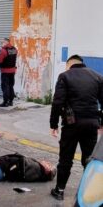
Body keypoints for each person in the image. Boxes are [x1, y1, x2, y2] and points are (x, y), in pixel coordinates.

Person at [49, 54, 103, 200]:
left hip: (71, 125)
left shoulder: (65, 76)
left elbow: (57, 102)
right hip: (92, 124)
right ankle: (88, 193)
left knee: (66, 159)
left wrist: (53, 124)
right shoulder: (97, 76)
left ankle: (59, 191)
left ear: (69, 65)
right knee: (88, 159)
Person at [0, 38, 18, 107]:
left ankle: (5, 102)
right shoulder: (14, 49)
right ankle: (11, 101)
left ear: (6, 42)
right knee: (11, 86)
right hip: (12, 71)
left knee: (5, 87)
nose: (1, 44)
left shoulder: (3, 51)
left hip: (5, 71)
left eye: (2, 42)